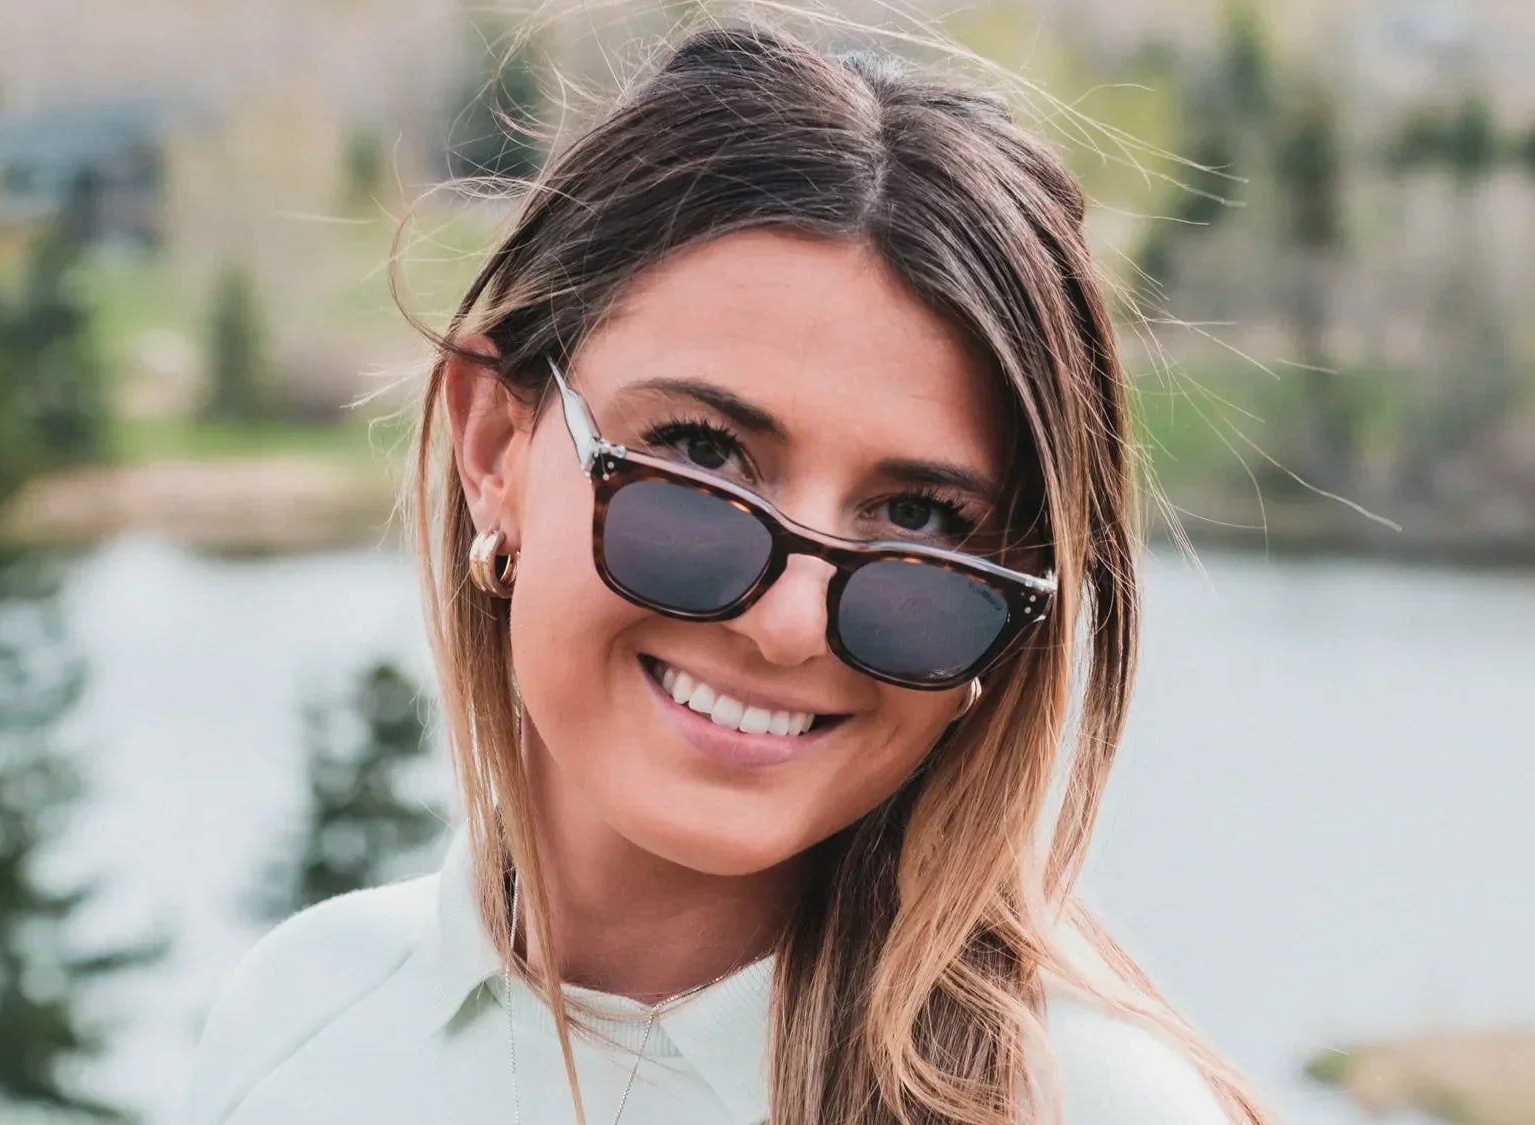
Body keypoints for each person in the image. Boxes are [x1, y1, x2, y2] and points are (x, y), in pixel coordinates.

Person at [186, 20, 1270, 1125]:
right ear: (494, 448)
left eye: (920, 519)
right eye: (702, 455)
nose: (790, 623)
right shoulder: (299, 1021)